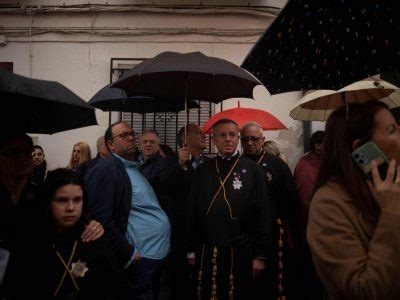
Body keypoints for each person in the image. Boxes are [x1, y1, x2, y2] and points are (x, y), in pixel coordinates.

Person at [307, 101, 400, 299]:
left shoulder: (393, 185)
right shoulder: (328, 205)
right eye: (392, 130)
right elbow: (364, 291)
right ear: (363, 148)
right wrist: (391, 214)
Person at [0, 132, 104, 299]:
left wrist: (90, 223)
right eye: (13, 152)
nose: (24, 157)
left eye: (27, 151)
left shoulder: (36, 194)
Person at [186, 119, 271, 299]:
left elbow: (263, 213)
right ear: (214, 140)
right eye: (222, 135)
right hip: (207, 250)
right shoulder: (202, 170)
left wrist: (260, 255)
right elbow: (191, 211)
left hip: (240, 250)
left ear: (238, 138)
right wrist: (190, 249)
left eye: (232, 135)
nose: (228, 139)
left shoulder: (253, 170)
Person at [85, 122, 171, 299]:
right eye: (123, 136)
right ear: (110, 145)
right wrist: (128, 253)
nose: (131, 138)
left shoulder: (132, 168)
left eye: (132, 134)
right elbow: (99, 218)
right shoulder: (107, 168)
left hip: (154, 256)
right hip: (138, 259)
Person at [34, 168, 119, 299]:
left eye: (77, 200)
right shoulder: (33, 238)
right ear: (47, 201)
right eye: (62, 200)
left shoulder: (91, 237)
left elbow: (107, 284)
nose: (71, 208)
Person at [241, 122, 299, 299]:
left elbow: (290, 198)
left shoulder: (276, 165)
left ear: (262, 139)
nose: (250, 143)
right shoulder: (237, 164)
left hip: (273, 230)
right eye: (245, 139)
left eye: (254, 139)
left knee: (272, 278)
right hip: (245, 231)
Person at [167, 123, 208, 300]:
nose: (204, 136)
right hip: (182, 236)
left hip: (206, 235)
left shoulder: (209, 163)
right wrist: (181, 166)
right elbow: (167, 192)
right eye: (199, 133)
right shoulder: (171, 163)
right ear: (185, 139)